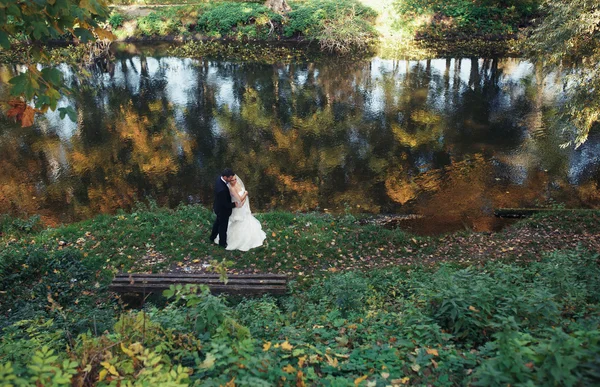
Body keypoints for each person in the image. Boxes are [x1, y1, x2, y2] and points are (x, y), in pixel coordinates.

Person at [215, 174, 266, 251]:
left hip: (243, 206)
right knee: (239, 221)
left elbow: (242, 198)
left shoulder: (237, 183)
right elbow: (239, 199)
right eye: (232, 180)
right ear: (229, 180)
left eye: (235, 179)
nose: (234, 181)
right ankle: (235, 239)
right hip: (238, 207)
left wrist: (244, 200)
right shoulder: (231, 188)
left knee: (247, 220)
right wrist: (245, 193)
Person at [210, 168, 240, 248]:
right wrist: (234, 204)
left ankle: (212, 237)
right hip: (222, 210)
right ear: (225, 177)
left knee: (217, 223)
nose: (231, 179)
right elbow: (225, 204)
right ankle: (222, 243)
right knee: (223, 227)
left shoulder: (219, 179)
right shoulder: (222, 189)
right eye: (230, 177)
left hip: (217, 206)